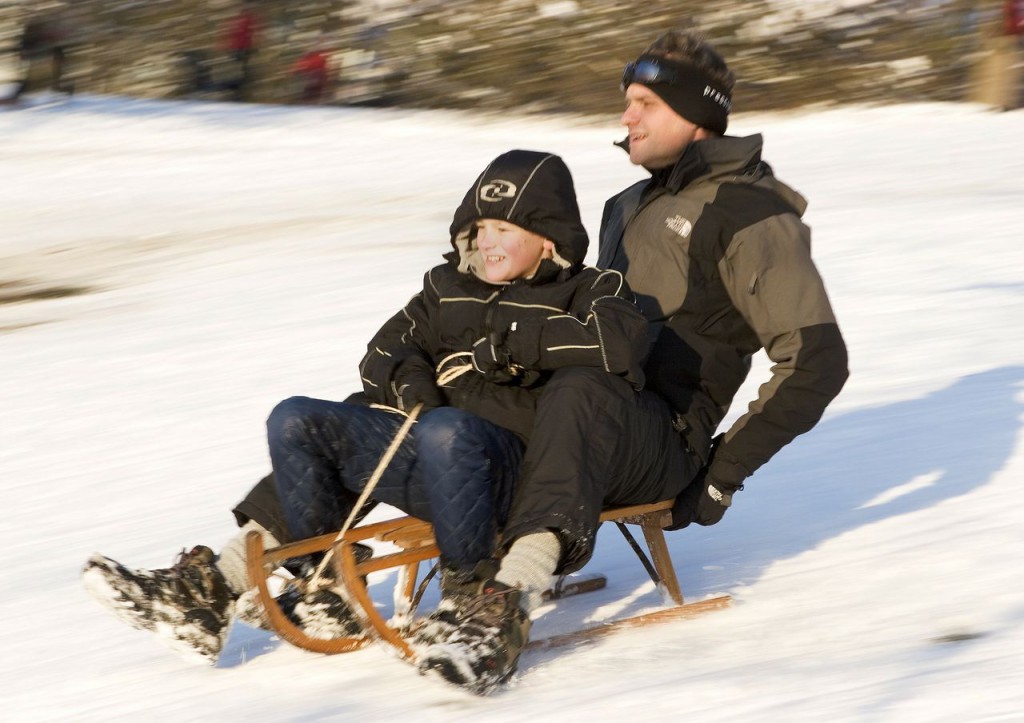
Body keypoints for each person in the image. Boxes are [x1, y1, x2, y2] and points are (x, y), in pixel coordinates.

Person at [81, 150, 649, 666]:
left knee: (449, 430)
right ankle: (277, 587)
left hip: (514, 476)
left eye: (507, 227)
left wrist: (506, 349)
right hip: (432, 455)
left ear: (547, 236)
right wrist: (415, 390)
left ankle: (469, 599)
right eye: (482, 227)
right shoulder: (446, 287)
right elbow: (385, 350)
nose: (489, 240)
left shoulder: (587, 290)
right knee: (299, 418)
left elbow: (618, 344)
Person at [413, 29, 849, 693]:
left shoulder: (751, 213)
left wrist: (721, 473)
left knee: (584, 388)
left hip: (657, 437)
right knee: (451, 384)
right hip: (580, 421)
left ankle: (501, 611)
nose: (626, 116)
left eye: (644, 102)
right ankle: (319, 556)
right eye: (627, 101)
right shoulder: (628, 206)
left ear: (695, 114)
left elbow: (818, 359)